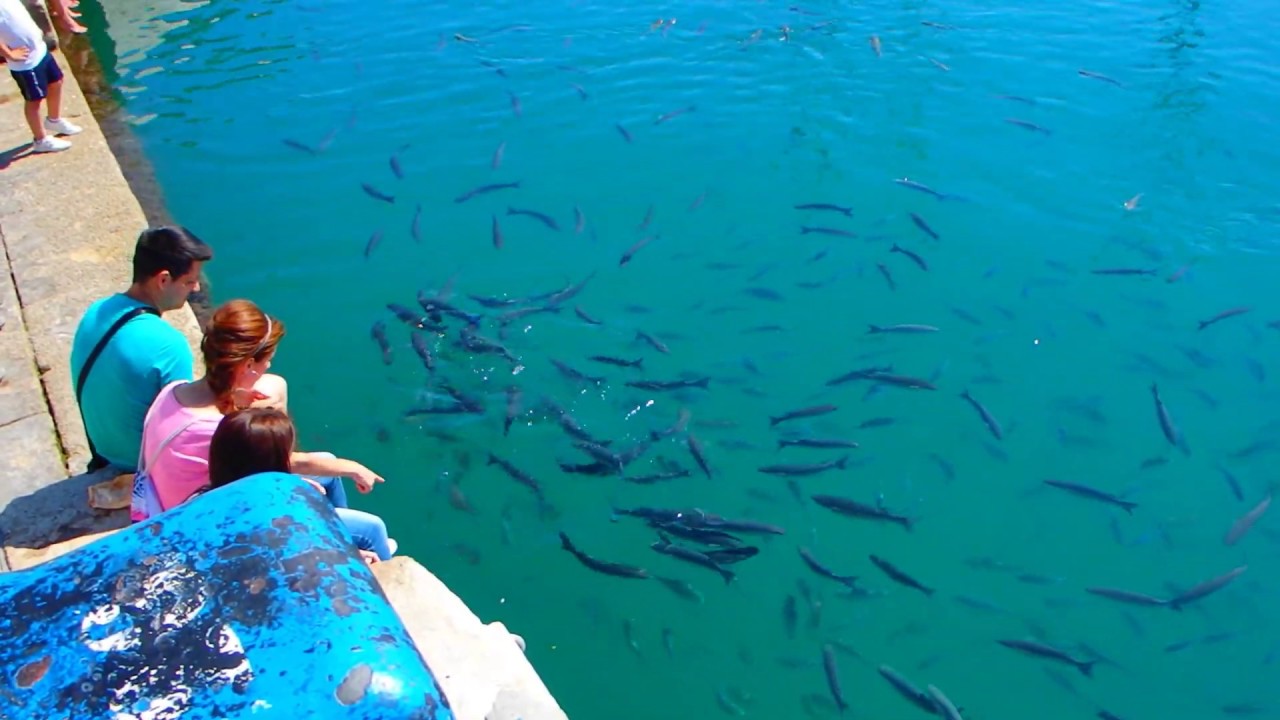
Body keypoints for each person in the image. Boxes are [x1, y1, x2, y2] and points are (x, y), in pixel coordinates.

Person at [138, 298, 383, 516]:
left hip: (162, 500)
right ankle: (337, 540)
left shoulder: (173, 390)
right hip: (199, 519)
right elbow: (289, 462)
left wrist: (235, 396)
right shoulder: (220, 430)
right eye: (267, 361)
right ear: (247, 366)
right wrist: (353, 468)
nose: (268, 367)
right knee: (357, 511)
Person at [71, 226, 213, 473]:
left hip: (103, 451)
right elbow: (182, 429)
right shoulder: (168, 345)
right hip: (142, 466)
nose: (197, 288)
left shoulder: (96, 311)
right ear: (163, 280)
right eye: (190, 281)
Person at [205, 407, 396, 563]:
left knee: (327, 466)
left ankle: (341, 534)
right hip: (280, 533)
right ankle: (384, 567)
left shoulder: (221, 483)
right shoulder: (272, 511)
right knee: (373, 528)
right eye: (287, 454)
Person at [0, 0, 81, 153]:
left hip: (39, 49)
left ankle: (54, 120)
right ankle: (40, 140)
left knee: (56, 81)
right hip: (25, 62)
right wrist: (9, 54)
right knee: (34, 100)